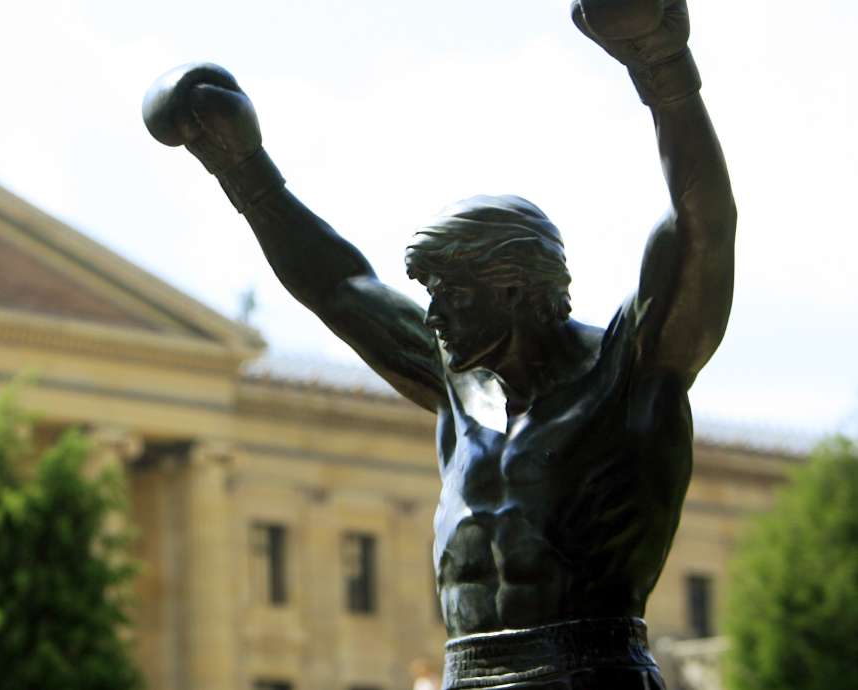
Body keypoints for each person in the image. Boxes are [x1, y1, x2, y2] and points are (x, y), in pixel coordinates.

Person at [143, 0, 735, 687]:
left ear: (515, 288)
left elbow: (701, 229)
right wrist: (244, 172)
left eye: (450, 294)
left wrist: (663, 69)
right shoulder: (460, 386)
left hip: (589, 672)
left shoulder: (630, 373)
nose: (434, 316)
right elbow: (341, 287)